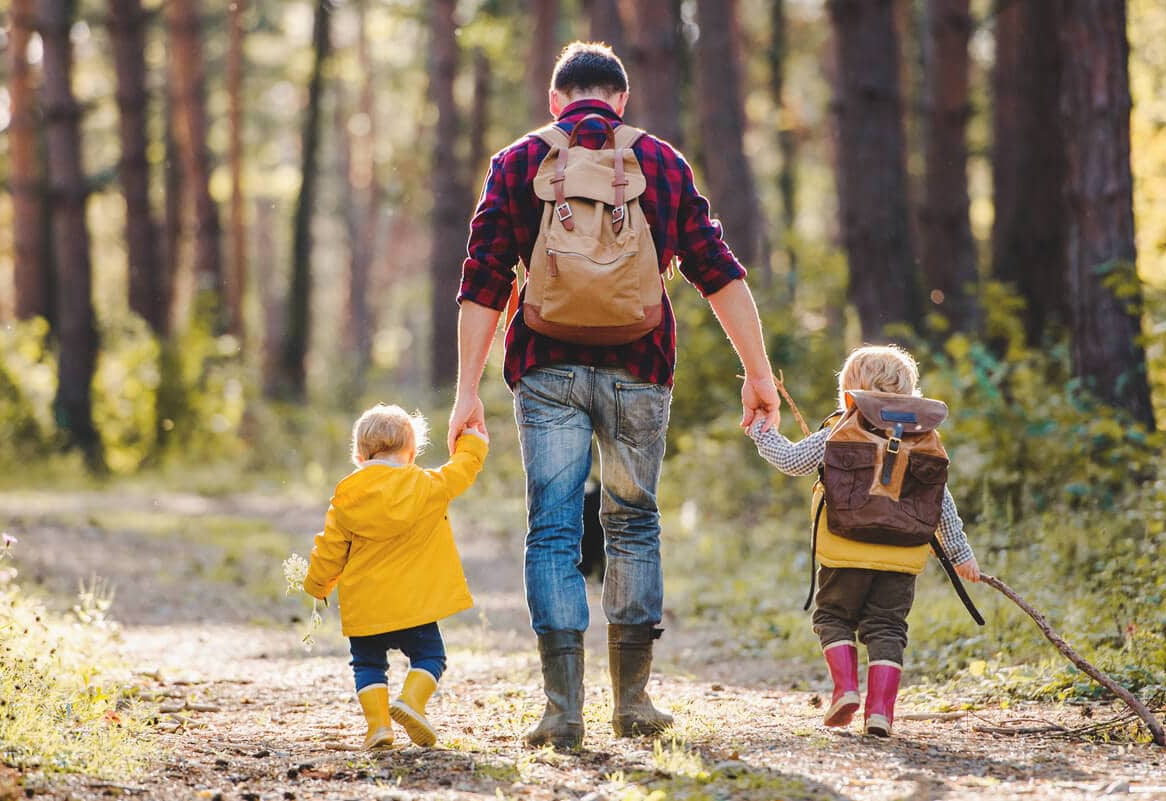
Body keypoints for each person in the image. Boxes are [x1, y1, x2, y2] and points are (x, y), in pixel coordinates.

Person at [449, 41, 781, 748]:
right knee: (632, 523)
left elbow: (484, 280)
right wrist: (758, 373)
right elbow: (716, 269)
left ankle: (561, 709)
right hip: (640, 368)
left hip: (545, 370)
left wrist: (464, 392)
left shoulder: (517, 163)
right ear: (621, 101)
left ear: (554, 101)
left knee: (553, 529)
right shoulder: (659, 162)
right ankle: (633, 702)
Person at [747, 345, 980, 738]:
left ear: (849, 393)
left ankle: (846, 689)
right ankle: (880, 713)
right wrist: (961, 554)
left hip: (845, 550)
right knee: (888, 627)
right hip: (902, 557)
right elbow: (940, 502)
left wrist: (760, 431)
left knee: (833, 618)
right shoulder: (923, 439)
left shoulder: (839, 430)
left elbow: (790, 462)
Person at [302, 404, 488, 750]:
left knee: (368, 664)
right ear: (412, 453)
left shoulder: (347, 496)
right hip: (414, 606)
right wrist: (473, 442)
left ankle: (378, 728)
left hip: (366, 607)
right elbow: (460, 471)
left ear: (358, 455)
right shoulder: (427, 485)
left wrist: (317, 584)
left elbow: (330, 549)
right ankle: (412, 703)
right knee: (431, 656)